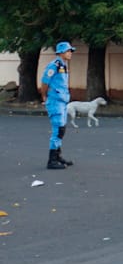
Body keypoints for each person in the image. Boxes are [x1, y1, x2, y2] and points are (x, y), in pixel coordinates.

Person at [40, 41, 75, 169]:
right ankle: (52, 160)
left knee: (62, 129)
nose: (70, 53)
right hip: (55, 101)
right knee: (58, 129)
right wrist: (44, 96)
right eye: (68, 51)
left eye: (71, 51)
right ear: (60, 52)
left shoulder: (63, 65)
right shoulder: (53, 65)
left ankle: (57, 156)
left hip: (62, 101)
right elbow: (44, 81)